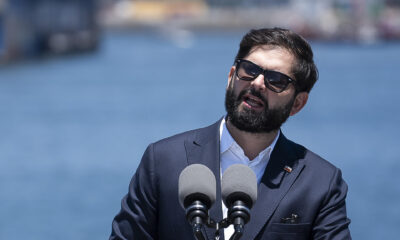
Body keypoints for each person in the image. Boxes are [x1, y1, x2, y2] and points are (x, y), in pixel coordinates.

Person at [110, 27, 351, 240]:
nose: (257, 83)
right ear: (230, 77)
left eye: (275, 79)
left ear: (298, 103)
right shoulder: (163, 160)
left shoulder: (320, 183)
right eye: (249, 70)